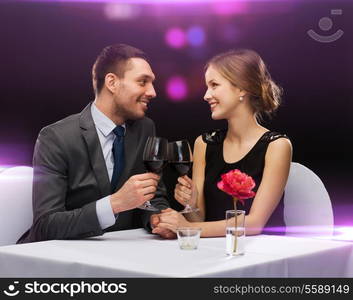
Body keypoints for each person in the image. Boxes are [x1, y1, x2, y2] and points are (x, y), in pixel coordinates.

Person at [18, 44, 174, 243]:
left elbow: (153, 196)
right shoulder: (56, 137)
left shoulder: (145, 128)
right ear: (112, 82)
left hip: (122, 254)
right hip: (60, 259)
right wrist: (114, 204)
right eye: (143, 82)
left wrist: (157, 219)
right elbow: (46, 225)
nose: (152, 92)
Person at [152, 49, 292, 237]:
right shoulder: (204, 143)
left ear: (242, 88)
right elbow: (199, 218)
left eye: (214, 85)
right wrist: (191, 204)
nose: (206, 95)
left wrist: (186, 228)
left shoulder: (277, 146)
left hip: (262, 254)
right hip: (215, 252)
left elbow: (254, 224)